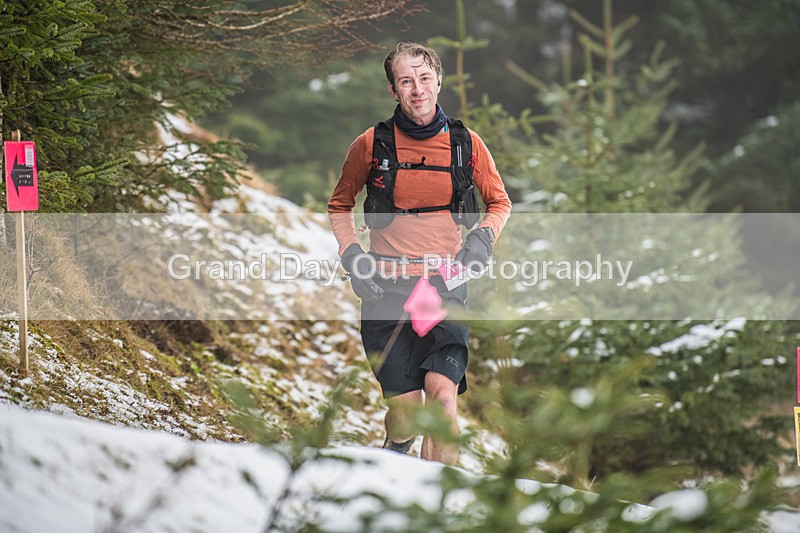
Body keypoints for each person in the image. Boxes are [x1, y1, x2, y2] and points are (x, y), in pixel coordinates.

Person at [328, 42, 511, 465]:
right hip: (386, 290)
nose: (417, 89)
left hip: (443, 288)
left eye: (424, 78)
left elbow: (499, 203)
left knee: (443, 396)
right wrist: (352, 253)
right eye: (406, 81)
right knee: (407, 413)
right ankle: (398, 448)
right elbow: (340, 205)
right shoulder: (371, 144)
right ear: (393, 90)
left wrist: (482, 239)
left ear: (439, 81)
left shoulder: (467, 143)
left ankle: (439, 509)